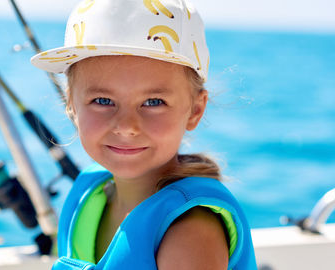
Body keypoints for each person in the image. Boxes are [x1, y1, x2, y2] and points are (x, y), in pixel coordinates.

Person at [31, 0, 257, 269]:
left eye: (153, 102)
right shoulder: (90, 190)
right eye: (103, 100)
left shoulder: (191, 232)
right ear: (71, 105)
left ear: (195, 110)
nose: (126, 125)